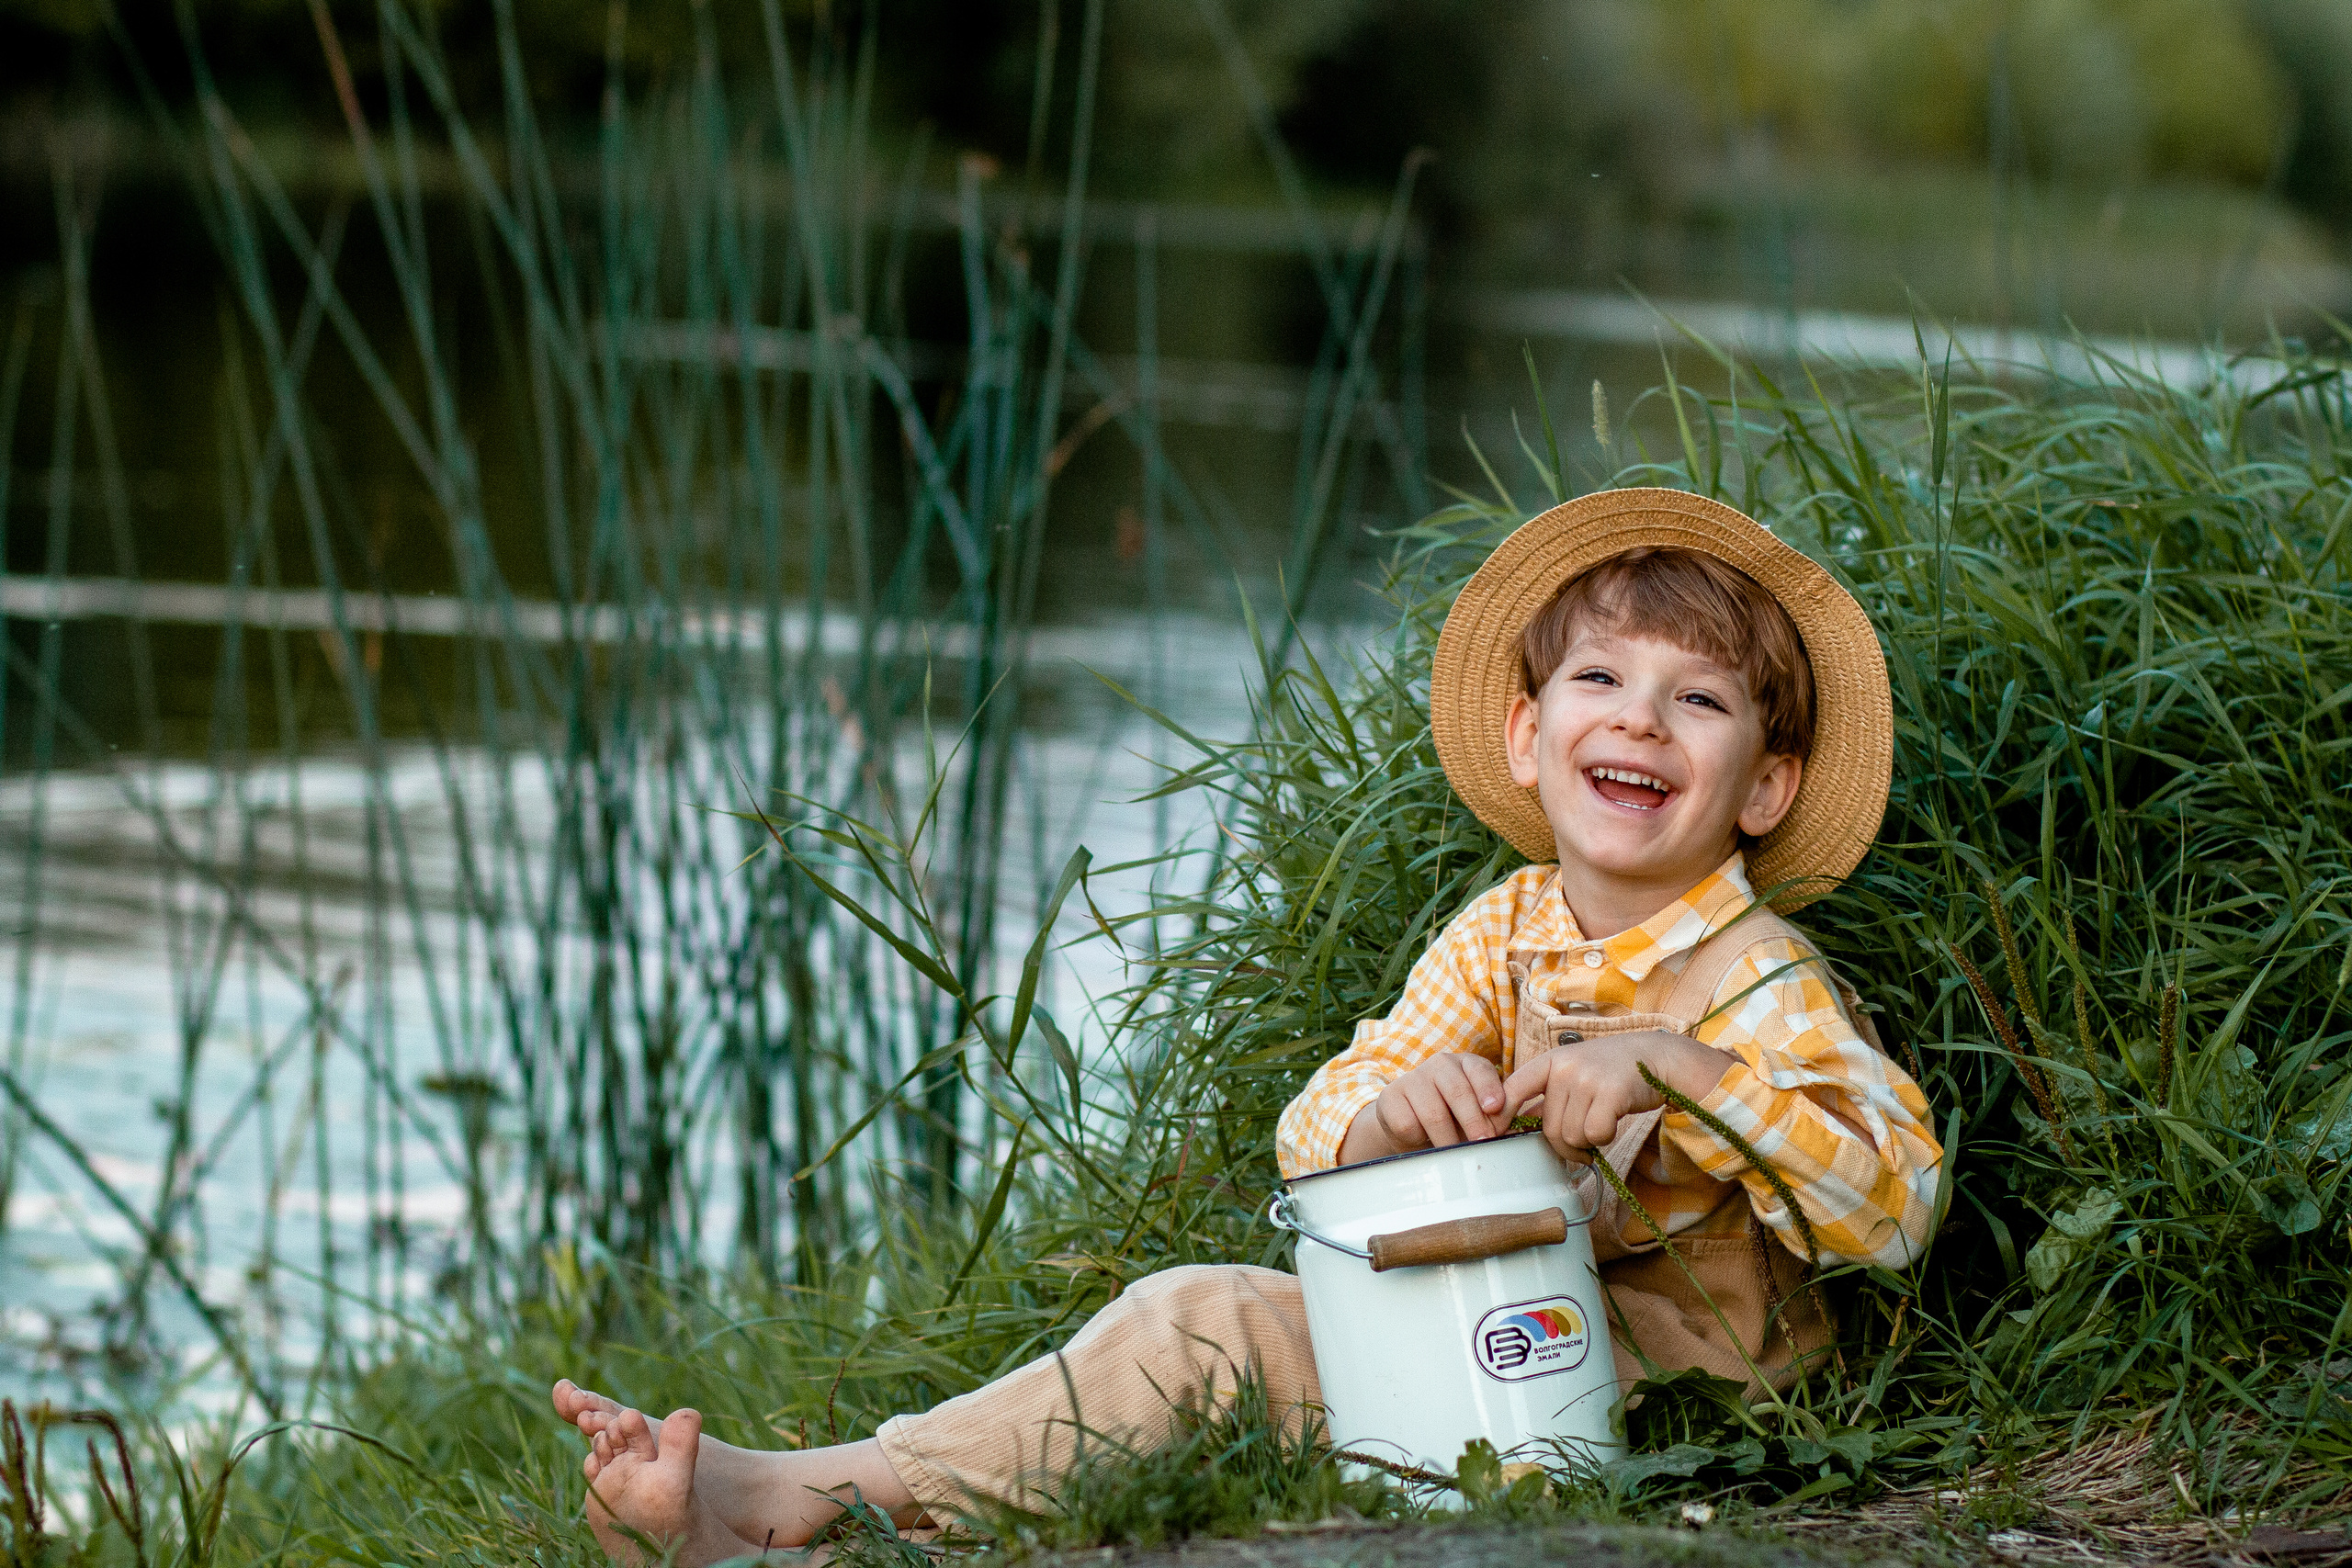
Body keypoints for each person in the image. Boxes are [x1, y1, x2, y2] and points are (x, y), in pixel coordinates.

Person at [550, 488, 1944, 1562]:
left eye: (1696, 701)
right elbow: (1319, 1129)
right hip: (1492, 1332)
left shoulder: (1759, 981)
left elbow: (1893, 1208)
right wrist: (1388, 1123)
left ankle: (792, 1501)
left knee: (1210, 1325)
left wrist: (1684, 1074)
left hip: (1683, 1400)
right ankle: (798, 1496)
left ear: (1764, 787)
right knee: (1200, 1327)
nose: (1639, 720)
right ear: (1530, 738)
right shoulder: (1504, 930)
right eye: (1601, 682)